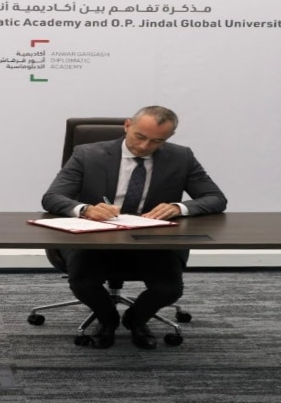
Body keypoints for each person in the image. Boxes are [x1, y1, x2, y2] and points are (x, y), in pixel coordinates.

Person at [41, 106, 226, 350]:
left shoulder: (181, 157)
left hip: (152, 240)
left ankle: (136, 319)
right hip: (95, 238)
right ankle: (107, 320)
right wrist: (85, 209)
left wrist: (179, 207)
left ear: (169, 137)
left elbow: (215, 198)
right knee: (83, 282)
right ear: (127, 125)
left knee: (169, 288)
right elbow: (53, 197)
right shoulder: (87, 154)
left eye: (157, 141)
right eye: (140, 136)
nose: (144, 146)